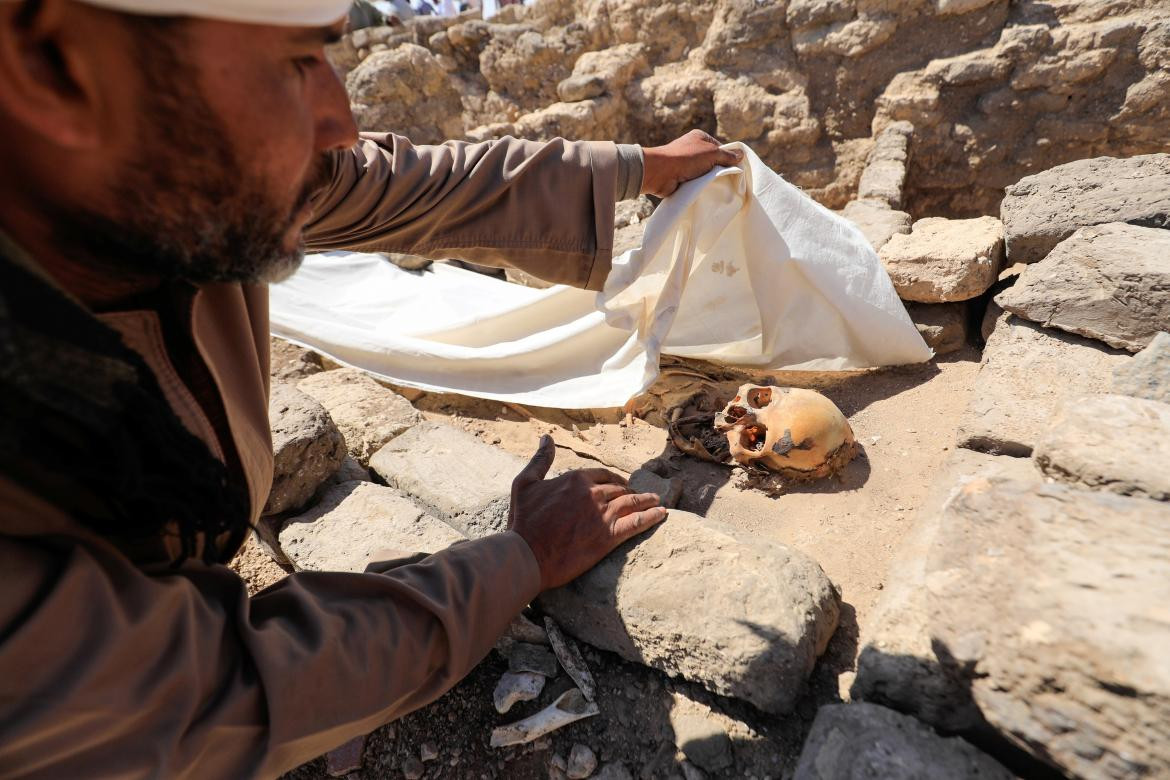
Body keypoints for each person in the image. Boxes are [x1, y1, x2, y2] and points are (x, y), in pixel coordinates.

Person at [0, 1, 742, 777]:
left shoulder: (150, 175)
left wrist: (632, 167)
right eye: (291, 65)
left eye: (328, 56)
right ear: (52, 65)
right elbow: (199, 697)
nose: (341, 121)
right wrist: (513, 563)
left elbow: (387, 185)